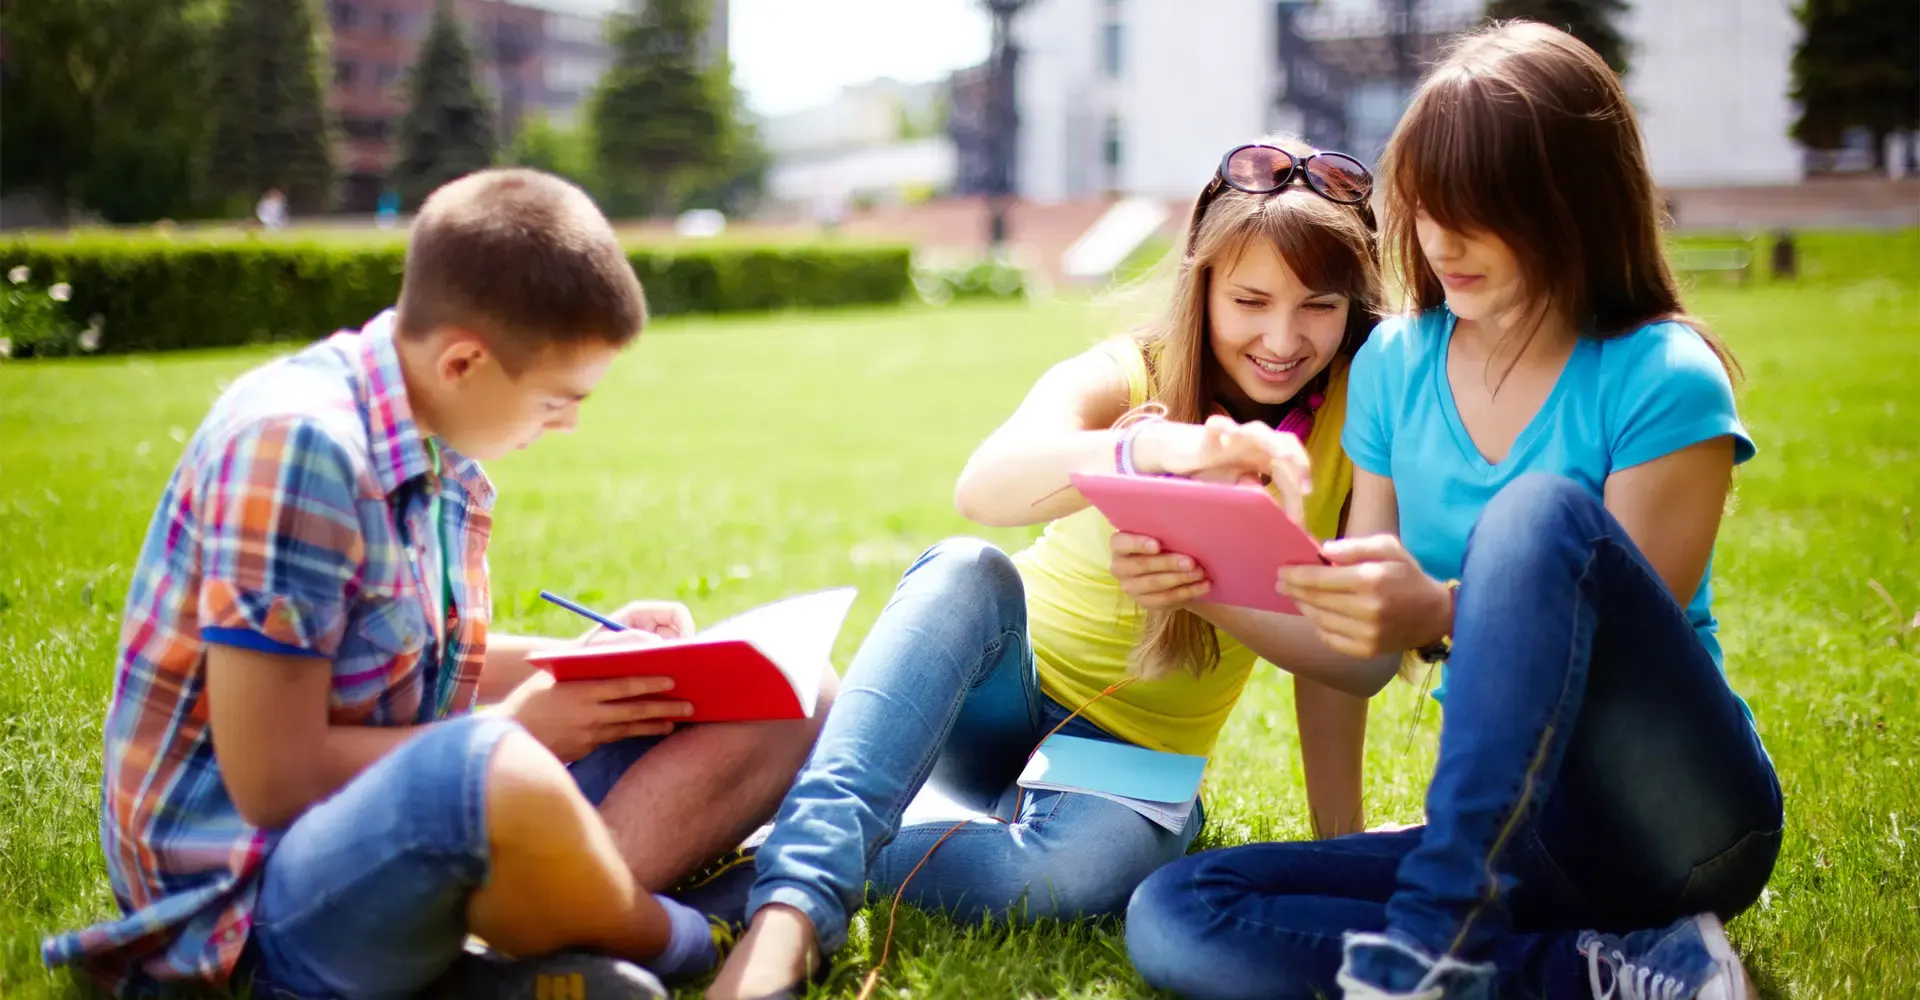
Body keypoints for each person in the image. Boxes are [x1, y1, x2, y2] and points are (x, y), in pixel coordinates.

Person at [41, 168, 830, 1000]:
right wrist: (520, 731)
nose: (568, 425)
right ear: (464, 361)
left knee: (796, 693)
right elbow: (271, 779)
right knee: (495, 767)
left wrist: (594, 660)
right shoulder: (297, 448)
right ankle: (687, 939)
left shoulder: (427, 424)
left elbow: (414, 655)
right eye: (556, 401)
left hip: (408, 821)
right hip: (251, 900)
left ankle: (534, 939)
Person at [1124, 22, 1782, 1000]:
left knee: (1540, 516)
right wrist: (1203, 570)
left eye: (1482, 210)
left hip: (1677, 814)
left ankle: (1436, 936)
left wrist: (1434, 610)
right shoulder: (1396, 365)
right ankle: (1618, 972)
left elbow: (1602, 634)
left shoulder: (1661, 373)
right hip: (1508, 836)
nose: (1443, 240)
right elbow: (1357, 641)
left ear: (1574, 203)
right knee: (1181, 908)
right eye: (1429, 205)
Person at [709, 136, 1400, 1000]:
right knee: (966, 570)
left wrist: (1340, 844)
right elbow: (982, 488)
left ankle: (771, 846)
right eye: (1250, 300)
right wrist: (1151, 449)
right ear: (1201, 283)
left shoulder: (1363, 410)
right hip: (996, 692)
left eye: (1318, 307)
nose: (1282, 338)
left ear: (1351, 305)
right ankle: (794, 906)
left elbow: (1352, 660)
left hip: (1133, 761)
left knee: (1061, 880)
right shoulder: (1133, 371)